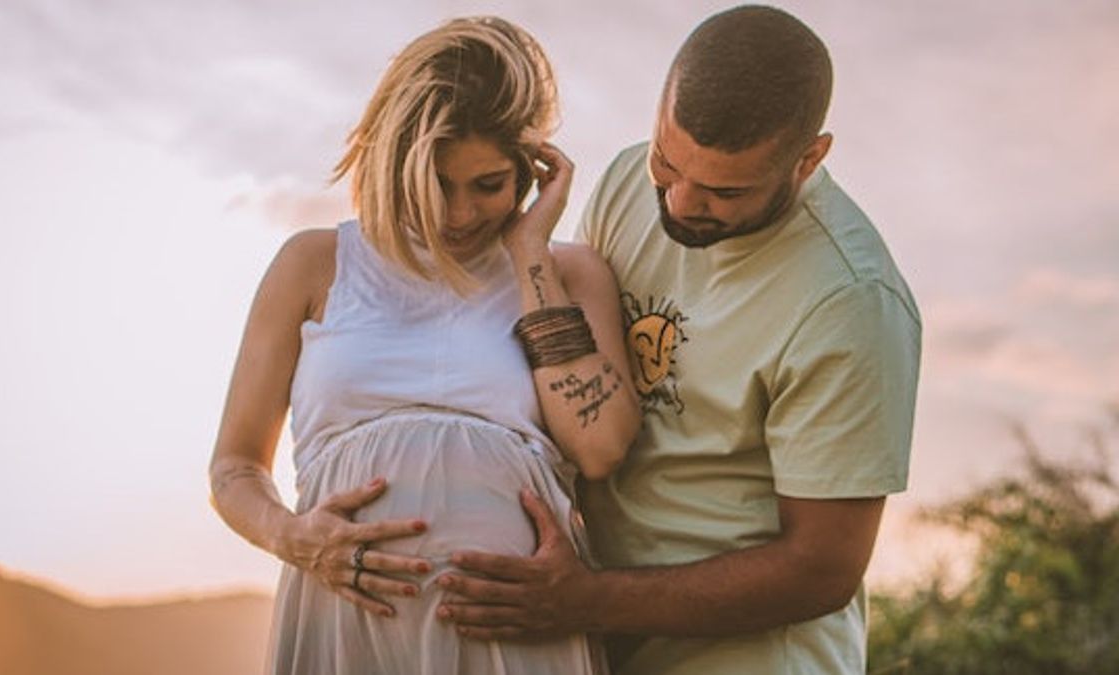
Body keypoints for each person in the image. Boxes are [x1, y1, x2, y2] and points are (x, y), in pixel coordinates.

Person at [434, 6, 922, 674]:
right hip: (593, 640)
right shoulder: (631, 181)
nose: (680, 203)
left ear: (809, 158)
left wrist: (585, 599)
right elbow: (576, 382)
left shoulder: (850, 301)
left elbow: (821, 568)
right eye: (669, 162)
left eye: (724, 189)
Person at [207, 15, 639, 674]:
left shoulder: (568, 274)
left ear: (530, 169)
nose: (458, 213)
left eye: (488, 184)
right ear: (392, 161)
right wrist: (294, 537)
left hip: (516, 633)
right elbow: (234, 468)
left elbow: (600, 446)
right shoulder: (315, 264)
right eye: (436, 182)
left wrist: (529, 254)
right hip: (349, 626)